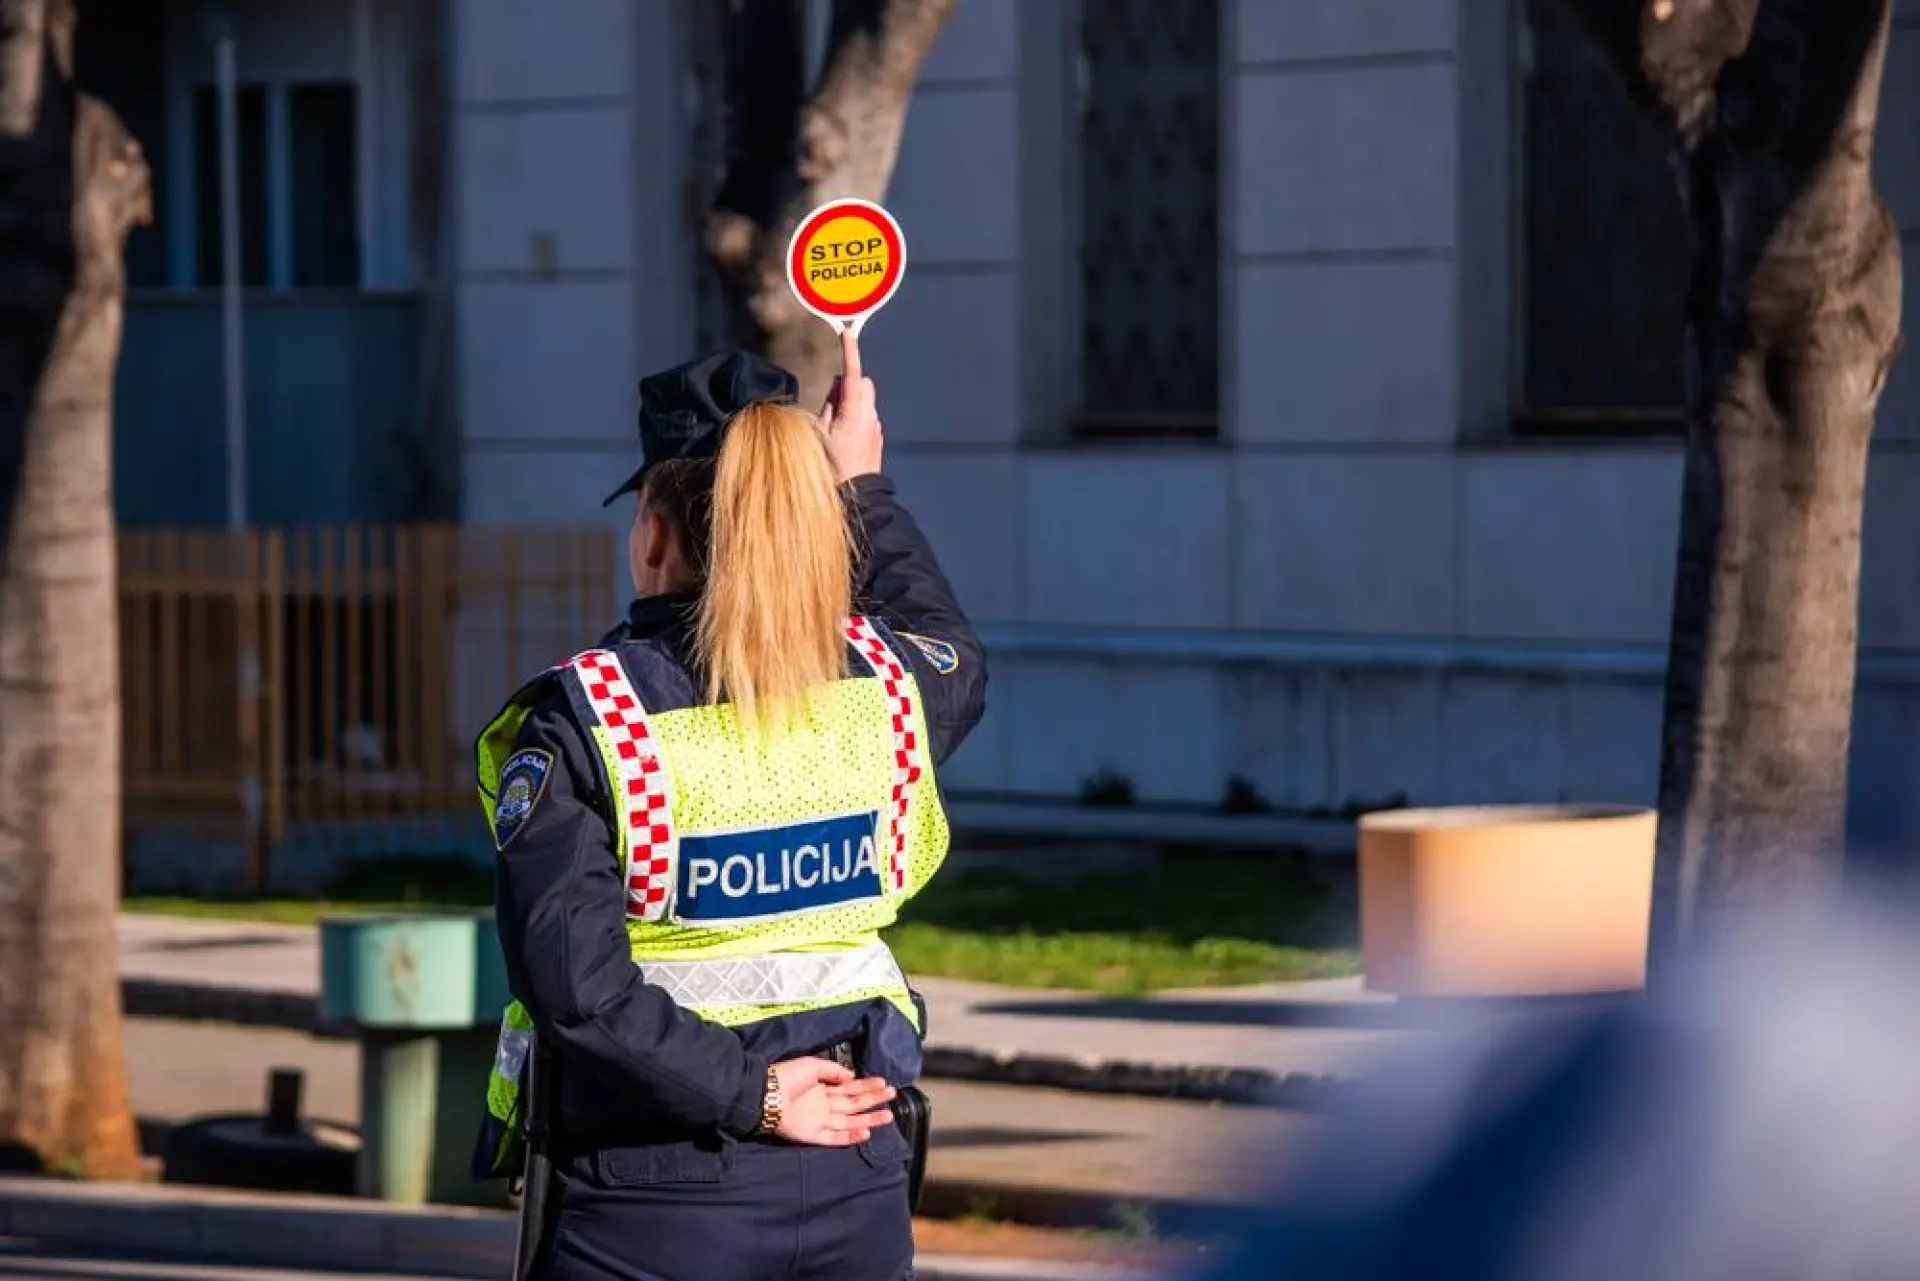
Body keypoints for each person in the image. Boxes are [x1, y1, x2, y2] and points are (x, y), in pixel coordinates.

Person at [470, 332, 986, 1281]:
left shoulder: (590, 719)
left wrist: (757, 1095)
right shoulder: (887, 687)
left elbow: (577, 989)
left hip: (652, 1202)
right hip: (857, 1176)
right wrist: (863, 490)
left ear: (653, 533)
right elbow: (948, 644)